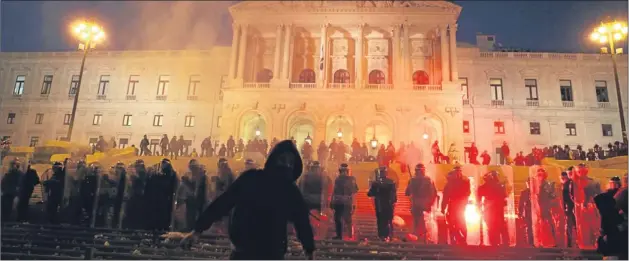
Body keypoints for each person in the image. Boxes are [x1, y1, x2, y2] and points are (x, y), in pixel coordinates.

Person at [179, 140, 315, 260]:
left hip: (269, 253)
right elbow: (223, 203)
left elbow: (301, 219)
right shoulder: (252, 179)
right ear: (274, 159)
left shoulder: (288, 189)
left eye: (290, 162)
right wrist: (197, 230)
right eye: (283, 160)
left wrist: (309, 249)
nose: (286, 165)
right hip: (246, 251)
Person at [299, 161, 332, 239]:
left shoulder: (305, 176)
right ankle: (321, 234)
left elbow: (300, 189)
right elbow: (328, 188)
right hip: (320, 201)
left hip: (307, 200)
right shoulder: (324, 176)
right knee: (322, 218)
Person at [405, 163, 437, 242]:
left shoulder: (412, 180)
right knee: (426, 223)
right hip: (425, 205)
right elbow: (434, 193)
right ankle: (424, 238)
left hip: (415, 205)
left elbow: (407, 193)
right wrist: (430, 203)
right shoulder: (429, 180)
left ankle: (418, 239)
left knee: (417, 223)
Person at [477, 171, 509, 246]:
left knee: (492, 226)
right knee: (499, 226)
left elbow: (479, 198)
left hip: (490, 209)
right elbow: (504, 197)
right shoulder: (499, 186)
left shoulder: (484, 187)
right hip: (495, 209)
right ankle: (503, 242)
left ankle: (495, 243)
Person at [441, 166, 470, 245]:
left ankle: (457, 239)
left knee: (454, 222)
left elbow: (446, 196)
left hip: (455, 204)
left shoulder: (450, 182)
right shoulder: (465, 181)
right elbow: (468, 193)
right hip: (459, 204)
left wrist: (443, 208)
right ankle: (461, 239)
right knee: (460, 222)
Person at [368, 166, 397, 241]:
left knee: (380, 220)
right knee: (389, 220)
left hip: (379, 205)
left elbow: (370, 194)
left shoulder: (376, 183)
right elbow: (394, 195)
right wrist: (393, 202)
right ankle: (390, 236)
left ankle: (381, 236)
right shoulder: (391, 182)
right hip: (389, 205)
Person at [331, 163, 359, 240]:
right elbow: (335, 191)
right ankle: (340, 236)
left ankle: (350, 236)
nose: (343, 172)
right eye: (342, 171)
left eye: (344, 171)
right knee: (338, 219)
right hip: (340, 202)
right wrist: (332, 200)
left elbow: (353, 193)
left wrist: (354, 204)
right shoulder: (338, 179)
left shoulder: (351, 179)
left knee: (347, 219)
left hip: (346, 202)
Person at [536, 168, 558, 246]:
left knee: (548, 224)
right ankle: (541, 241)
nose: (540, 176)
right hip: (538, 208)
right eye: (538, 174)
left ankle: (553, 241)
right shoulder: (535, 184)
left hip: (546, 207)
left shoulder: (549, 185)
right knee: (540, 225)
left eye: (541, 174)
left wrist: (548, 196)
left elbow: (553, 195)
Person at [560, 170, 576, 248]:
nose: (563, 179)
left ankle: (571, 243)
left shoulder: (568, 185)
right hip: (570, 208)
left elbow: (565, 198)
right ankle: (570, 242)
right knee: (571, 226)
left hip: (570, 208)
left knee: (571, 226)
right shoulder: (566, 184)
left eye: (564, 177)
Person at [517, 179, 534, 247]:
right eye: (528, 183)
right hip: (528, 212)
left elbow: (521, 204)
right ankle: (530, 242)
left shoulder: (534, 191)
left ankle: (532, 242)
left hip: (533, 212)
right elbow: (521, 204)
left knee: (531, 227)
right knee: (529, 227)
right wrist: (520, 213)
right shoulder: (524, 192)